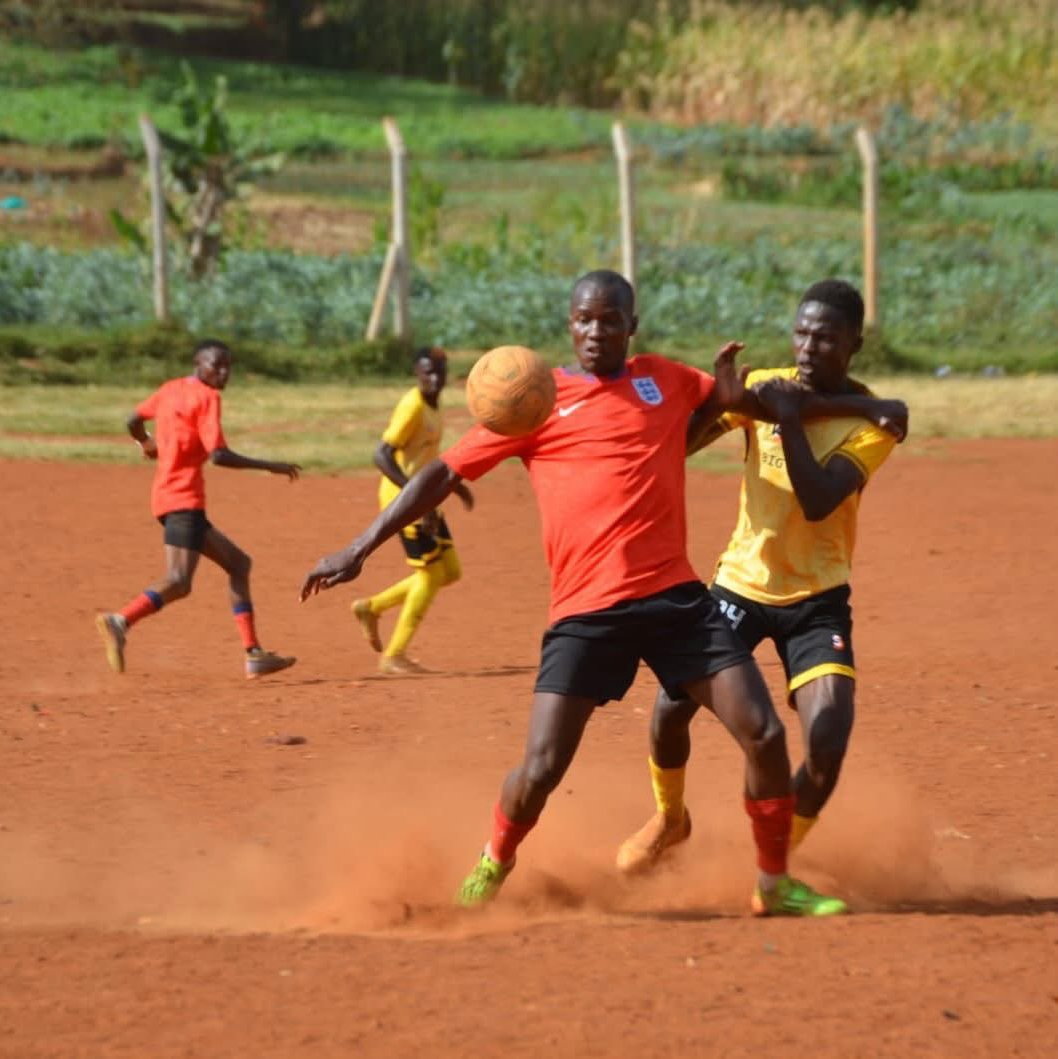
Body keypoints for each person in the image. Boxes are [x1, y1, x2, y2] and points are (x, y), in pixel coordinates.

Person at [301, 269, 848, 917]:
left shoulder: (664, 378)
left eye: (609, 320)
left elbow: (751, 402)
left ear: (630, 326)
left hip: (675, 600)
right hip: (587, 611)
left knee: (761, 731)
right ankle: (493, 860)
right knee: (539, 769)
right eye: (584, 320)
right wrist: (359, 546)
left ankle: (772, 881)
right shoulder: (532, 401)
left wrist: (760, 398)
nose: (596, 331)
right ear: (569, 324)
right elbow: (441, 474)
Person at [617, 279, 905, 896]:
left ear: (853, 343)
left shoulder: (873, 423)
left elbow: (822, 499)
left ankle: (769, 867)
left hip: (818, 598)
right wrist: (717, 406)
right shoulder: (773, 386)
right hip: (739, 586)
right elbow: (686, 444)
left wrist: (790, 419)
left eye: (825, 337)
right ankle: (671, 819)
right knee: (671, 709)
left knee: (827, 743)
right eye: (801, 332)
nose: (807, 347)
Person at [95, 339, 301, 680]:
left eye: (228, 366)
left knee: (238, 563)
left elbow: (133, 419)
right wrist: (270, 465)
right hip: (182, 499)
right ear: (198, 363)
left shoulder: (170, 389)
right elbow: (218, 455)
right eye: (216, 365)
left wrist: (145, 443)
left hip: (167, 497)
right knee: (179, 581)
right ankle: (120, 621)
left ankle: (254, 655)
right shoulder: (208, 398)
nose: (223, 372)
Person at [350, 346, 474, 675]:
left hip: (424, 498)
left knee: (450, 571)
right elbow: (381, 456)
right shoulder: (413, 407)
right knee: (431, 575)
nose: (433, 378)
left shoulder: (434, 405)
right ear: (416, 374)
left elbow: (426, 454)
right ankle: (394, 654)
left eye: (439, 372)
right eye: (426, 373)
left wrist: (453, 483)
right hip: (403, 501)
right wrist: (414, 497)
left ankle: (371, 607)